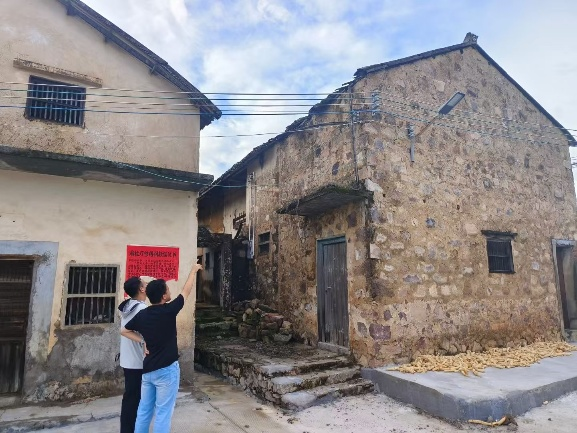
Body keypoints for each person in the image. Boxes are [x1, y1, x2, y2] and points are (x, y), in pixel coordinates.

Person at [121, 264, 202, 433]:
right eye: (168, 289)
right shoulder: (168, 311)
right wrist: (193, 271)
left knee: (144, 410)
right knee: (163, 413)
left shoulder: (142, 314)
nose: (170, 291)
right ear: (164, 296)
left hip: (148, 370)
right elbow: (186, 291)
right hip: (166, 370)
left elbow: (124, 331)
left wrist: (142, 341)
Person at [118, 277, 147, 433]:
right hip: (136, 361)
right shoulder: (140, 308)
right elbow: (125, 331)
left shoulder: (129, 305)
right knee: (134, 398)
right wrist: (143, 341)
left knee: (131, 397)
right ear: (141, 289)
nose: (147, 284)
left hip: (128, 359)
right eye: (144, 283)